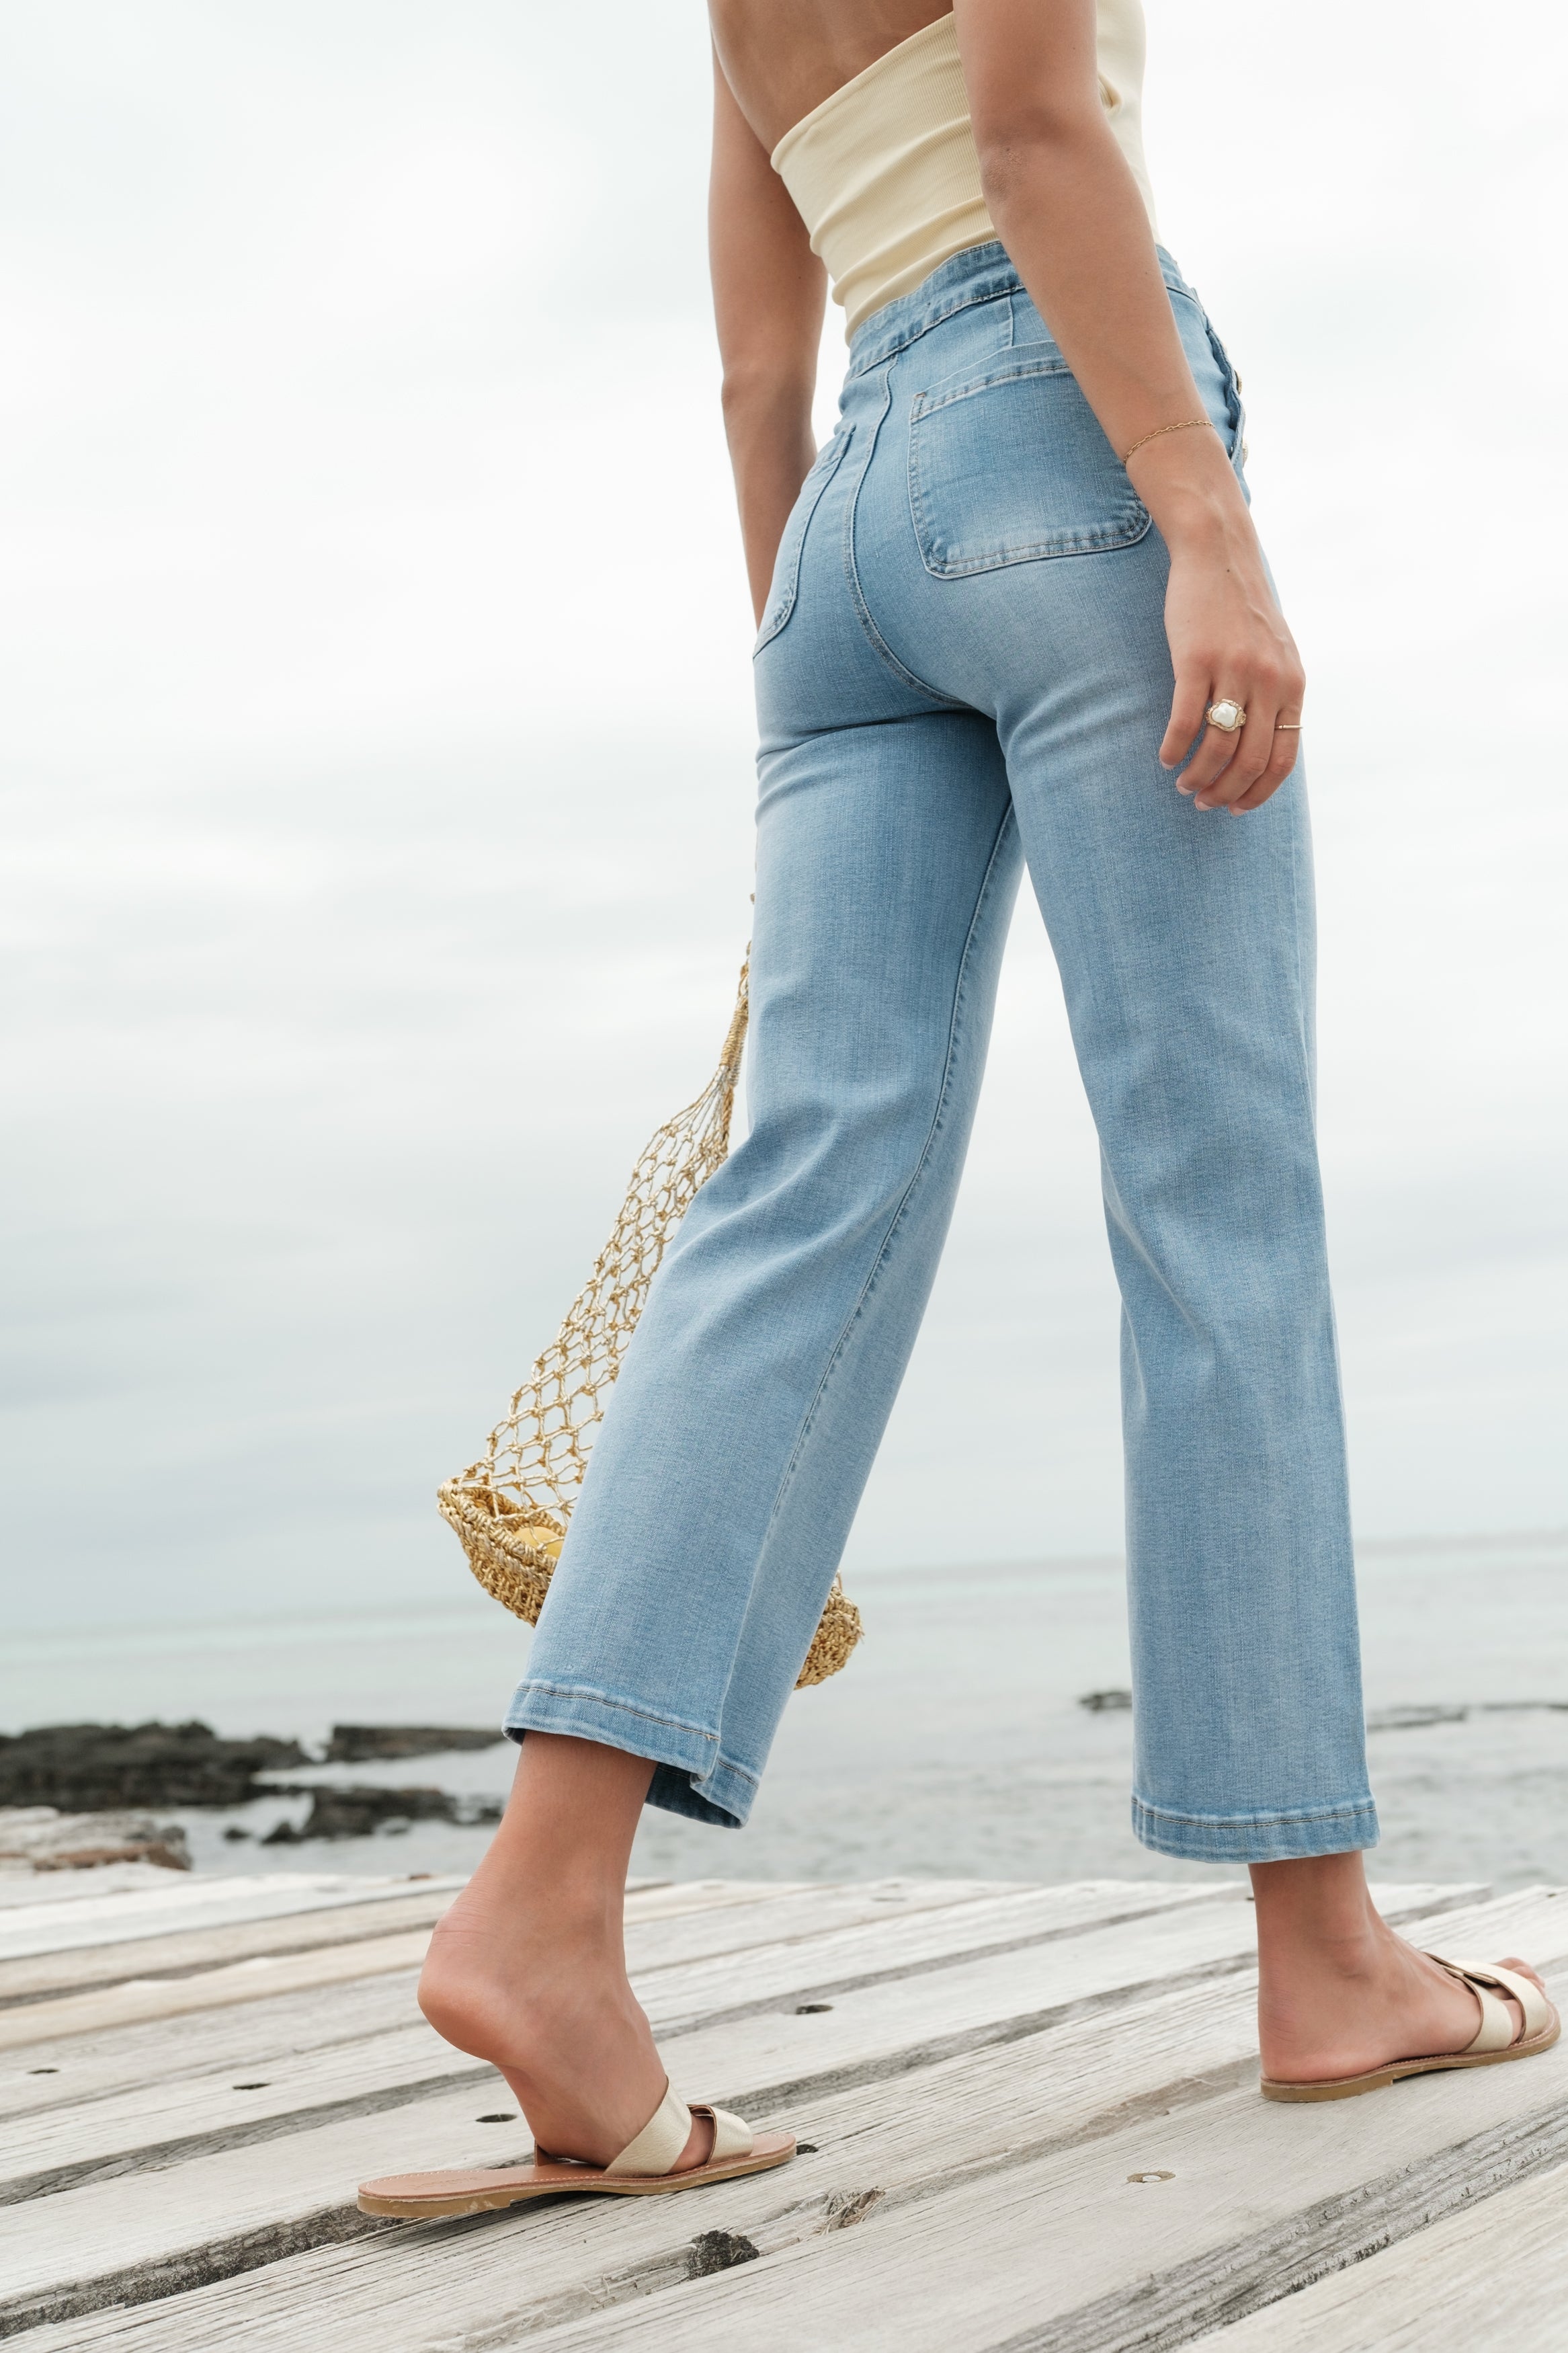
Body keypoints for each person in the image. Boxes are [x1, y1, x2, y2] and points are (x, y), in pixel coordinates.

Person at [358, 0, 1554, 2219]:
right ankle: (1327, 1956)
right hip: (1063, 430)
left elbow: (756, 369)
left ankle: (542, 1906)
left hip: (835, 550)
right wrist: (1204, 517)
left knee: (802, 1187)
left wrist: (816, 697)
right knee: (1215, 1190)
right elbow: (1029, 134)